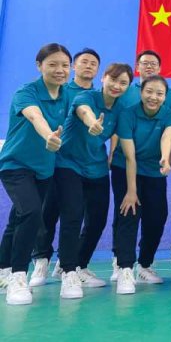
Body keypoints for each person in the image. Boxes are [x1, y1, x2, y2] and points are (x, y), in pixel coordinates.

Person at [50, 63, 132, 299]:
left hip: (96, 167)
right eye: (113, 80)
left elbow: (120, 135)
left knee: (97, 220)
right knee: (73, 215)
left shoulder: (121, 109)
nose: (117, 86)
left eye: (123, 83)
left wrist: (112, 152)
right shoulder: (85, 97)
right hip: (68, 163)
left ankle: (79, 265)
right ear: (103, 78)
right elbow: (84, 111)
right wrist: (93, 123)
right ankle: (68, 272)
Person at [0, 43, 70, 305]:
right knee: (31, 213)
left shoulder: (67, 94)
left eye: (65, 65)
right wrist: (49, 135)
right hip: (15, 165)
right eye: (52, 64)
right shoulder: (26, 92)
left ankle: (2, 268)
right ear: (39, 66)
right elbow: (34, 116)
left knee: (19, 217)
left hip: (44, 170)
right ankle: (18, 277)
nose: (60, 70)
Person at [30, 48, 102, 286]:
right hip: (60, 163)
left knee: (83, 217)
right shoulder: (61, 91)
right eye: (84, 62)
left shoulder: (98, 96)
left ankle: (68, 264)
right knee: (49, 212)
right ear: (73, 67)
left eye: (93, 63)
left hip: (91, 166)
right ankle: (41, 260)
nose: (88, 66)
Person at [111, 76, 171, 294]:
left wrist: (165, 158)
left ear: (165, 97)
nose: (153, 97)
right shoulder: (127, 114)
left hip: (154, 170)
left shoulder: (169, 114)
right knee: (129, 214)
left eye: (159, 93)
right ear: (141, 92)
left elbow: (167, 136)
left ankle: (144, 265)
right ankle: (124, 269)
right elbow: (130, 157)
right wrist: (131, 191)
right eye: (149, 92)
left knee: (157, 217)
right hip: (126, 167)